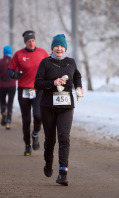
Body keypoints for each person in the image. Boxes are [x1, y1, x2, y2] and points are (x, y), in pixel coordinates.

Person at [34, 34, 83, 186]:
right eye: (56, 46)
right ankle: (48, 162)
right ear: (52, 48)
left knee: (64, 137)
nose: (59, 48)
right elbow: (37, 84)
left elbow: (77, 77)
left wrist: (78, 87)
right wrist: (53, 82)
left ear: (65, 48)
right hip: (48, 105)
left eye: (62, 46)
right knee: (50, 139)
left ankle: (63, 173)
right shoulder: (46, 62)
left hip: (66, 106)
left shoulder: (71, 62)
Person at [7, 30, 49, 156]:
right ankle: (27, 145)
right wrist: (14, 74)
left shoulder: (42, 53)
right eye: (29, 41)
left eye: (33, 41)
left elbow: (50, 67)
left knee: (38, 116)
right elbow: (9, 70)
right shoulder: (19, 54)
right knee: (26, 120)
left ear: (35, 41)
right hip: (23, 91)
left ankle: (35, 134)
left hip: (38, 90)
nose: (31, 43)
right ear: (25, 42)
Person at [0, 45, 16, 130]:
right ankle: (8, 122)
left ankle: (3, 112)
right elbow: (17, 73)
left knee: (2, 101)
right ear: (10, 52)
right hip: (12, 85)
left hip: (2, 84)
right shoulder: (14, 61)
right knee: (10, 104)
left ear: (3, 52)